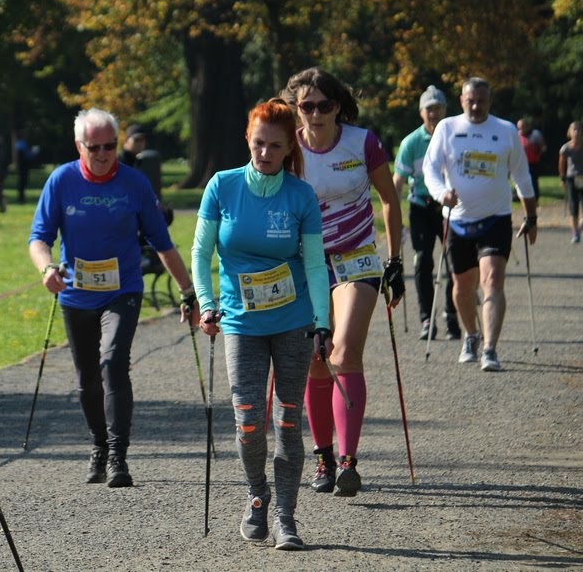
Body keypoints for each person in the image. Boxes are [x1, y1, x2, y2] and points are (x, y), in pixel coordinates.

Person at [28, 108, 197, 489]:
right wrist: (46, 269)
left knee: (113, 362)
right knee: (86, 378)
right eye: (95, 147)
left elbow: (163, 243)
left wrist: (188, 291)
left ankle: (119, 455)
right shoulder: (61, 181)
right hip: (76, 294)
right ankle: (99, 445)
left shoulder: (134, 184)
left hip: (123, 291)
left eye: (110, 146)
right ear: (79, 146)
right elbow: (39, 237)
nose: (104, 154)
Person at [191, 99, 331, 550]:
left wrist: (322, 323)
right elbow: (200, 253)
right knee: (248, 419)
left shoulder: (300, 195)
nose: (265, 153)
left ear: (290, 146)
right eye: (257, 144)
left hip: (292, 322)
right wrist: (207, 304)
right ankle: (258, 495)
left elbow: (313, 264)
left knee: (288, 420)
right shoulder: (222, 186)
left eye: (274, 146)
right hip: (241, 321)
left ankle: (287, 517)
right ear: (247, 142)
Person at [280, 67, 404, 498]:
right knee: (316, 359)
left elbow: (389, 198)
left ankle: (350, 462)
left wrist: (395, 260)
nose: (316, 114)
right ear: (296, 108)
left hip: (357, 259)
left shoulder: (361, 142)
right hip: (308, 264)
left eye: (325, 105)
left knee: (344, 350)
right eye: (307, 106)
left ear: (338, 107)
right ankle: (323, 457)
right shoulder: (287, 148)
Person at [423, 77, 537, 372]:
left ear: (489, 101)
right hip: (458, 220)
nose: (475, 106)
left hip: (495, 218)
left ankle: (490, 348)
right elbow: (430, 169)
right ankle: (471, 335)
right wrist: (441, 193)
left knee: (493, 280)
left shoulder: (505, 130)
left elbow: (522, 176)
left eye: (481, 101)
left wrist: (531, 216)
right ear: (461, 100)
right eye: (470, 100)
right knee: (462, 287)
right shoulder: (448, 128)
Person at [393, 85, 461, 341]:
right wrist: (395, 220)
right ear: (422, 113)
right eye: (429, 109)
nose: (434, 114)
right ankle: (426, 319)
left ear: (445, 110)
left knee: (455, 260)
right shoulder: (410, 143)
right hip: (421, 206)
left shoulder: (455, 137)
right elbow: (397, 182)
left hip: (448, 208)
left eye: (438, 108)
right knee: (423, 260)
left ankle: (451, 315)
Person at [119, 124, 164, 201]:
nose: (140, 143)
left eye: (142, 140)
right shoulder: (119, 161)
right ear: (126, 141)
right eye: (136, 140)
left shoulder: (143, 160)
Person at [558, 121, 583, 243]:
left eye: (579, 130)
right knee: (574, 207)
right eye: (574, 130)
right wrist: (562, 178)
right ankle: (575, 233)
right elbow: (561, 164)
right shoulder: (566, 148)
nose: (577, 132)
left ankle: (579, 228)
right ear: (570, 132)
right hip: (572, 178)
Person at [518, 117, 546, 203]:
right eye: (519, 127)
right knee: (521, 181)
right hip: (521, 163)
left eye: (523, 127)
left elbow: (543, 147)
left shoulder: (535, 134)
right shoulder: (517, 135)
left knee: (533, 181)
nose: (521, 129)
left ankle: (535, 199)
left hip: (533, 163)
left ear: (528, 126)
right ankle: (521, 198)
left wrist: (537, 153)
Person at [14, 132, 38, 204]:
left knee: (22, 181)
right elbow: (27, 156)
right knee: (23, 182)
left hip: (21, 165)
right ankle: (21, 198)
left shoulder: (18, 144)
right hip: (23, 165)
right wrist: (33, 153)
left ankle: (21, 197)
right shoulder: (22, 144)